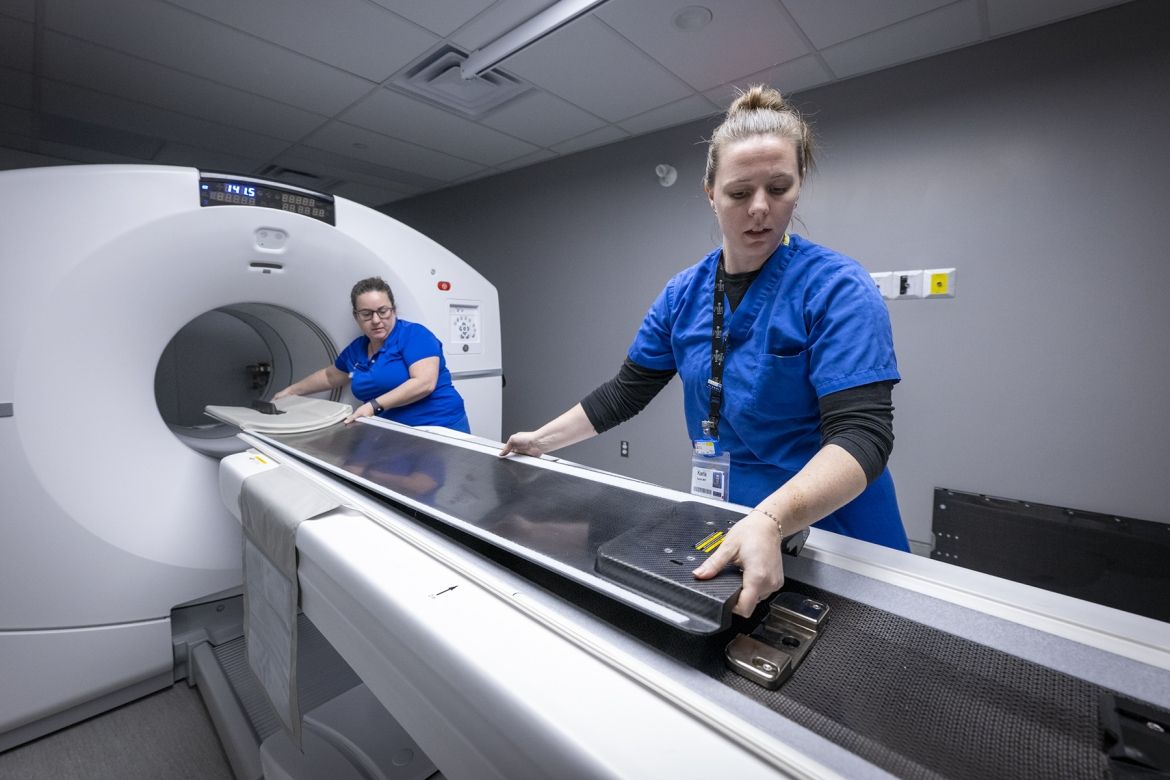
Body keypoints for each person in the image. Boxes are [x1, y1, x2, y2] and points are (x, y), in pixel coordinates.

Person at [500, 85, 909, 617]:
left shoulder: (838, 288)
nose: (760, 209)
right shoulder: (682, 294)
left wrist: (773, 518)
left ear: (798, 187)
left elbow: (863, 435)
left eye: (779, 188)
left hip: (833, 527)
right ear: (710, 193)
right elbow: (626, 392)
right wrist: (541, 440)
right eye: (740, 193)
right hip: (732, 516)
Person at [274, 276, 470, 433]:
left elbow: (424, 383)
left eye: (382, 311)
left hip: (438, 427)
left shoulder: (414, 335)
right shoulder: (357, 350)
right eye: (367, 314)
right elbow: (330, 376)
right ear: (356, 316)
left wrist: (372, 406)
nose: (376, 320)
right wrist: (291, 391)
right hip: (391, 432)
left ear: (393, 310)